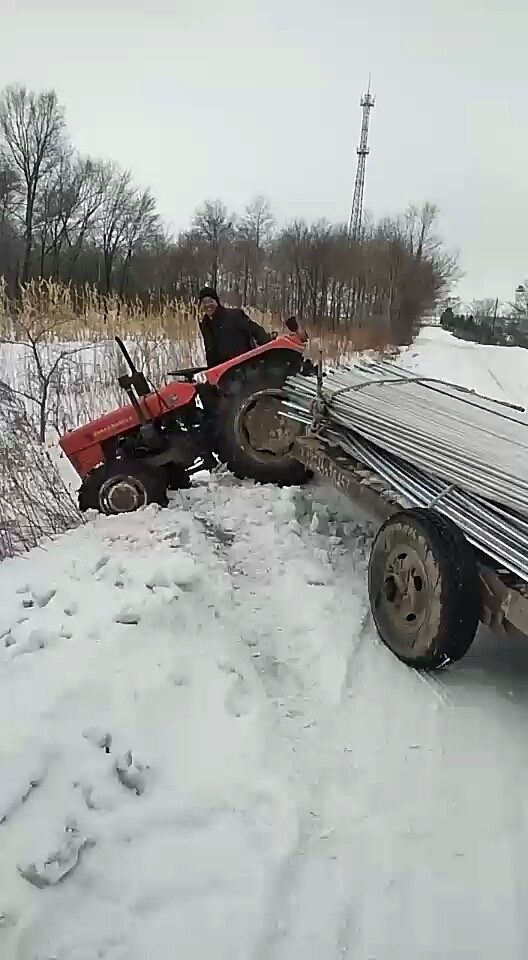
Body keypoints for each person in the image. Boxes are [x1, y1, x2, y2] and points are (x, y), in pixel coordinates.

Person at [198, 287, 271, 368]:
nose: (208, 305)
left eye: (210, 301)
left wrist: (269, 344)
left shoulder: (234, 316)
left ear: (216, 302)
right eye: (204, 302)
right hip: (223, 372)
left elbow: (255, 330)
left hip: (243, 367)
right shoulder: (205, 325)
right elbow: (210, 351)